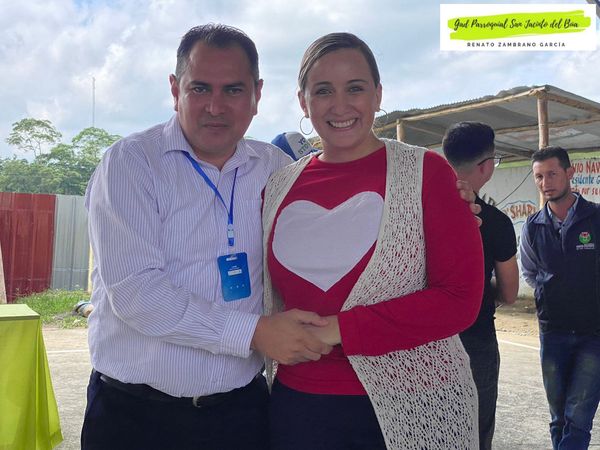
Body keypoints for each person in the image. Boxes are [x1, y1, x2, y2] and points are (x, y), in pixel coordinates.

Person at [81, 24, 335, 450]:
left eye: (233, 90)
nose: (215, 107)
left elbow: (330, 241)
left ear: (257, 94)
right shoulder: (131, 163)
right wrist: (255, 332)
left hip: (240, 414)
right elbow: (138, 294)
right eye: (200, 88)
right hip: (135, 419)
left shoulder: (276, 168)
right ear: (175, 89)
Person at [262, 32, 485, 450]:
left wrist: (340, 329)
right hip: (300, 405)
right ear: (302, 102)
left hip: (414, 402)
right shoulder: (277, 187)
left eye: (355, 88)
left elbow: (460, 299)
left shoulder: (426, 172)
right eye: (323, 90)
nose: (340, 105)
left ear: (378, 94)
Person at [442, 122, 519, 450]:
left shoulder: (419, 208)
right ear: (486, 167)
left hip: (424, 342)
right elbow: (510, 293)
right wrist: (482, 291)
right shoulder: (496, 222)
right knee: (475, 433)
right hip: (476, 341)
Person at [520, 146, 600, 450]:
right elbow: (530, 272)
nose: (545, 183)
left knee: (578, 418)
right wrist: (551, 294)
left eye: (552, 174)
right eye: (539, 177)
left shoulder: (596, 218)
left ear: (569, 173)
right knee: (558, 418)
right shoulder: (533, 226)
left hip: (594, 334)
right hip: (553, 333)